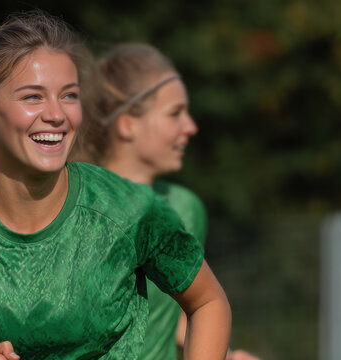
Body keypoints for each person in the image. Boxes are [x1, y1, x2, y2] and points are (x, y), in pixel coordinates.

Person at [0, 12, 231, 359]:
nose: (56, 114)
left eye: (69, 96)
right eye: (33, 97)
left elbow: (208, 303)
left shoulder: (130, 209)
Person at [89, 43, 260, 360]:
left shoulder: (184, 208)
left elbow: (180, 310)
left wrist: (227, 354)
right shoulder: (74, 206)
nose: (191, 127)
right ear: (128, 123)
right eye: (175, 114)